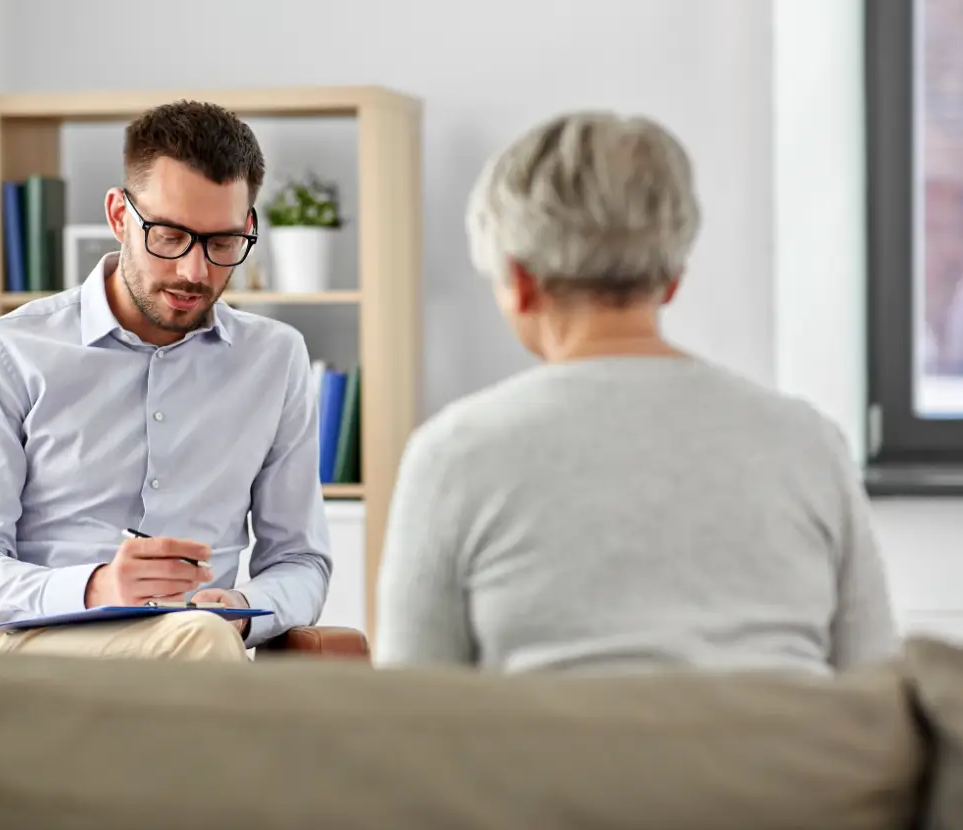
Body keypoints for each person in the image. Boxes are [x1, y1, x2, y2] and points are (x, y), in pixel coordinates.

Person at [373, 110, 899, 676]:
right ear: (672, 277)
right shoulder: (810, 443)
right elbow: (876, 686)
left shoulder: (454, 454)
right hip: (786, 764)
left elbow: (412, 716)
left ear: (520, 283)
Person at [0, 100, 331, 661]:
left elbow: (301, 561)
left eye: (222, 244)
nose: (195, 272)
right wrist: (95, 588)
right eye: (169, 236)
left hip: (198, 647)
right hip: (29, 650)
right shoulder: (6, 350)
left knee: (203, 641)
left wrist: (239, 606)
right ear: (120, 216)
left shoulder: (275, 358)